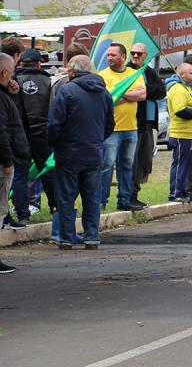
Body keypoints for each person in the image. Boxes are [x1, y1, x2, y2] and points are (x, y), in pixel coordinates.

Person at [48, 55, 115, 252]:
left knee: (66, 197)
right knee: (92, 197)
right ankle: (92, 237)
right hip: (93, 152)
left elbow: (54, 123)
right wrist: (96, 140)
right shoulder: (104, 92)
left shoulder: (67, 90)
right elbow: (110, 124)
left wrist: (53, 143)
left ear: (72, 71)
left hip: (68, 153)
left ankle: (67, 238)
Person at [97, 43, 147, 212]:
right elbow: (107, 98)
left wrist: (120, 94)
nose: (109, 58)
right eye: (108, 55)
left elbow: (142, 95)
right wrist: (127, 95)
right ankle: (101, 201)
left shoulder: (134, 74)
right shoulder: (102, 75)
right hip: (111, 129)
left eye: (113, 55)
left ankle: (124, 199)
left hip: (130, 128)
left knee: (127, 165)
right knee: (106, 165)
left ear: (123, 57)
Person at [14, 48, 54, 227]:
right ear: (39, 63)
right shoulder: (47, 81)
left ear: (22, 63)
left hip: (20, 136)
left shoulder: (14, 80)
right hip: (42, 135)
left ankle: (22, 214)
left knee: (20, 175)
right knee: (47, 173)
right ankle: (56, 208)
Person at [128, 44, 165, 208]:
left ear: (145, 55)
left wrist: (144, 90)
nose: (135, 56)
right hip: (134, 123)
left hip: (149, 123)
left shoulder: (148, 71)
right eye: (133, 53)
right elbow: (135, 93)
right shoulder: (128, 71)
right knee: (132, 161)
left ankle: (135, 192)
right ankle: (129, 194)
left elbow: (161, 91)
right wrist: (145, 91)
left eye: (139, 54)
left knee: (144, 160)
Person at [0, 53, 31, 234]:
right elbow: (2, 131)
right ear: (4, 73)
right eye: (11, 73)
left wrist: (11, 94)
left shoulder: (5, 94)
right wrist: (8, 162)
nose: (12, 77)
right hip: (4, 162)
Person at [165, 62, 192, 201]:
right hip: (181, 134)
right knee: (180, 164)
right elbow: (181, 111)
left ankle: (181, 190)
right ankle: (175, 192)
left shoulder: (185, 88)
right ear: (182, 74)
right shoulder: (178, 89)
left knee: (185, 165)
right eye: (191, 73)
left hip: (188, 134)